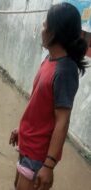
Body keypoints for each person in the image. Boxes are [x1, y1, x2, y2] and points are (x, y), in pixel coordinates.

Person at [9, 3, 88, 190]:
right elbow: (39, 104)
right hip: (28, 145)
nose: (42, 29)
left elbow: (62, 121)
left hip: (39, 155)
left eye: (45, 26)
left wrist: (48, 165)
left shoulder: (65, 70)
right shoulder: (49, 59)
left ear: (55, 32)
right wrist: (22, 128)